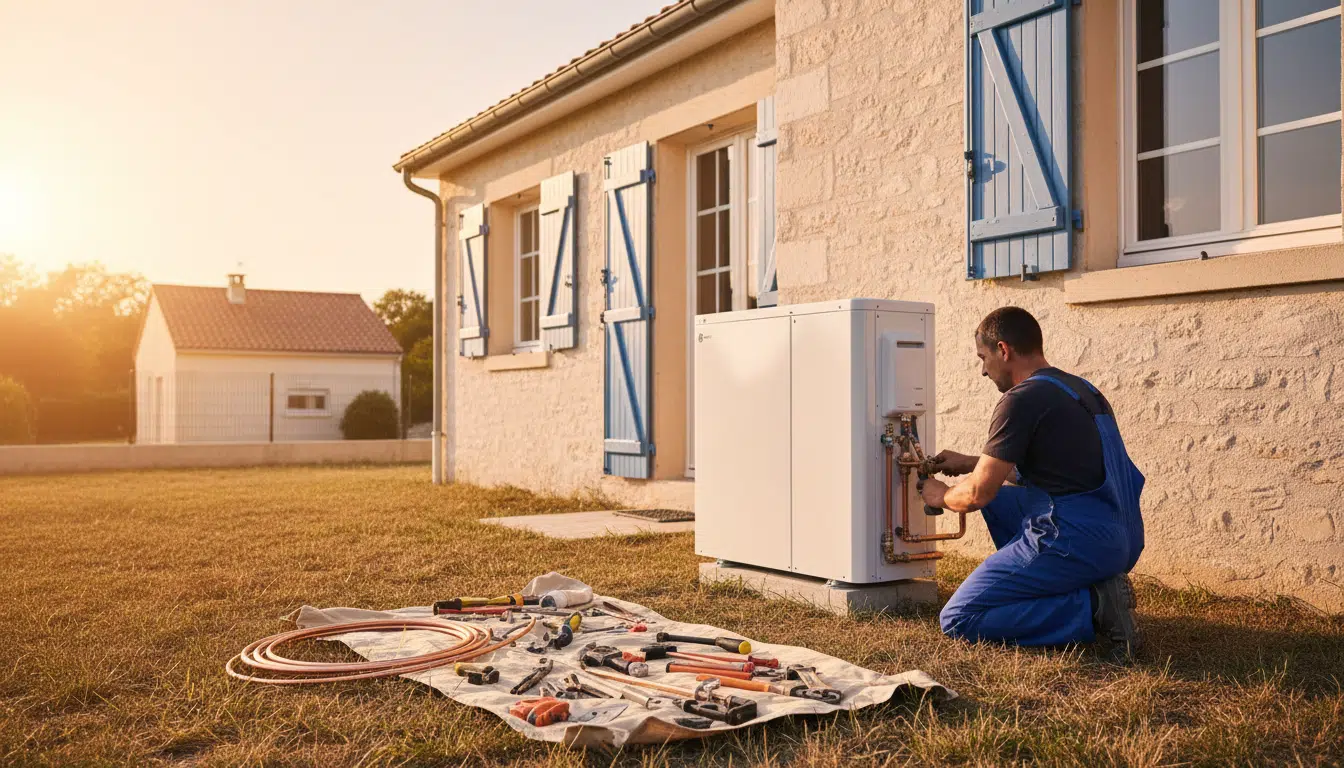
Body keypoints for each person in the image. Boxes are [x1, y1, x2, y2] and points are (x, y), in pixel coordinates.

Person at [920, 307, 1145, 662]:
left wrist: (941, 495)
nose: (982, 369)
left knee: (958, 618)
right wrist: (968, 462)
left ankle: (1095, 605)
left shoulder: (1020, 399)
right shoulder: (1080, 389)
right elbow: (1054, 470)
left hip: (1075, 537)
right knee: (1002, 500)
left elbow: (978, 493)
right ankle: (1066, 584)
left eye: (983, 357)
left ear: (1003, 350)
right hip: (1121, 534)